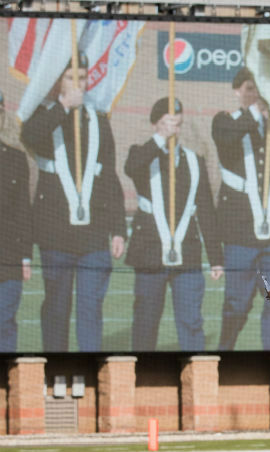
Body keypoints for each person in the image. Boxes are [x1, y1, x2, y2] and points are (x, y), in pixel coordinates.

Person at [21, 56, 125, 352]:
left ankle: (89, 364)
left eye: (82, 77)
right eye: (70, 77)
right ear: (58, 81)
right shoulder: (44, 115)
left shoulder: (98, 120)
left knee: (91, 307)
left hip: (94, 234)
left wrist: (118, 229)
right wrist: (64, 106)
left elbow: (109, 176)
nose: (78, 84)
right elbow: (29, 136)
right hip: (55, 232)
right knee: (56, 306)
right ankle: (57, 365)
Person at [124, 98, 222, 350]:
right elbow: (130, 167)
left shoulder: (193, 161)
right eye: (168, 124)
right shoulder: (142, 154)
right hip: (149, 252)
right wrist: (159, 139)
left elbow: (206, 212)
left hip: (186, 253)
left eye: (178, 124)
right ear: (156, 124)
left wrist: (215, 257)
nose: (174, 130)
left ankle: (197, 375)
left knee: (191, 322)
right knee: (145, 323)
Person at [212, 67, 270, 350]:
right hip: (240, 236)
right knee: (237, 305)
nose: (255, 94)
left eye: (259, 89)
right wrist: (256, 114)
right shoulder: (225, 122)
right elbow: (227, 138)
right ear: (237, 91)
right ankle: (225, 350)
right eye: (249, 88)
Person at [0, 88, 31, 352]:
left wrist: (25, 258)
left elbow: (23, 212)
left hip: (8, 258)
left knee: (4, 322)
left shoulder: (15, 159)